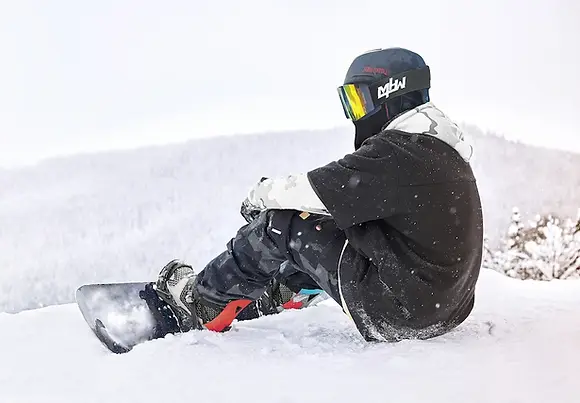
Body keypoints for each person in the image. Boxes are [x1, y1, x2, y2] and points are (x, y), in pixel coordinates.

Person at [153, 47, 482, 342]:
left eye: (359, 100)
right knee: (332, 218)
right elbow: (342, 200)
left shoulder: (400, 151)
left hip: (399, 314)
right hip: (442, 308)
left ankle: (204, 303)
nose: (356, 113)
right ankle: (288, 292)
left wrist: (261, 195)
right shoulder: (437, 153)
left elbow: (316, 189)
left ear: (389, 93)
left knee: (282, 223)